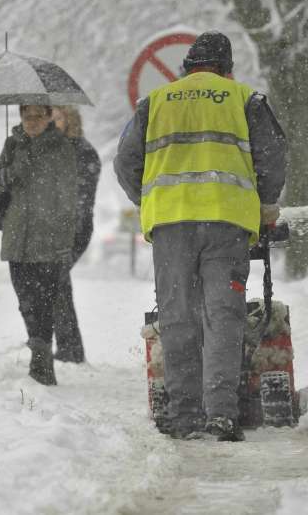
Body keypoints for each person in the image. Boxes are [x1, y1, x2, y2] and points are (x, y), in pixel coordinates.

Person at [113, 31, 286, 442]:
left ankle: (184, 413)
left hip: (171, 225)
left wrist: (151, 198)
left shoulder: (153, 103)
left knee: (177, 317)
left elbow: (125, 162)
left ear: (187, 66)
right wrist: (265, 205)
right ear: (227, 68)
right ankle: (222, 414)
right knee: (224, 315)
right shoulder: (245, 99)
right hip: (226, 223)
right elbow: (273, 156)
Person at [0, 105, 78, 385]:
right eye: (27, 117)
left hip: (48, 239)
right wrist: (14, 169)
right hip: (17, 239)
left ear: (48, 116)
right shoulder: (12, 144)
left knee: (45, 302)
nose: (32, 122)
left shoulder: (61, 147)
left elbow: (69, 195)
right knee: (25, 301)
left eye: (38, 116)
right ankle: (38, 349)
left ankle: (41, 359)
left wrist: (64, 238)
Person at [50, 105, 101, 363]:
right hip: (52, 228)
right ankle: (69, 347)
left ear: (70, 120)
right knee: (56, 284)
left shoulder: (82, 151)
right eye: (51, 117)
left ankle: (69, 348)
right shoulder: (50, 150)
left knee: (56, 280)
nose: (54, 122)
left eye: (59, 118)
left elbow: (83, 196)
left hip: (75, 228)